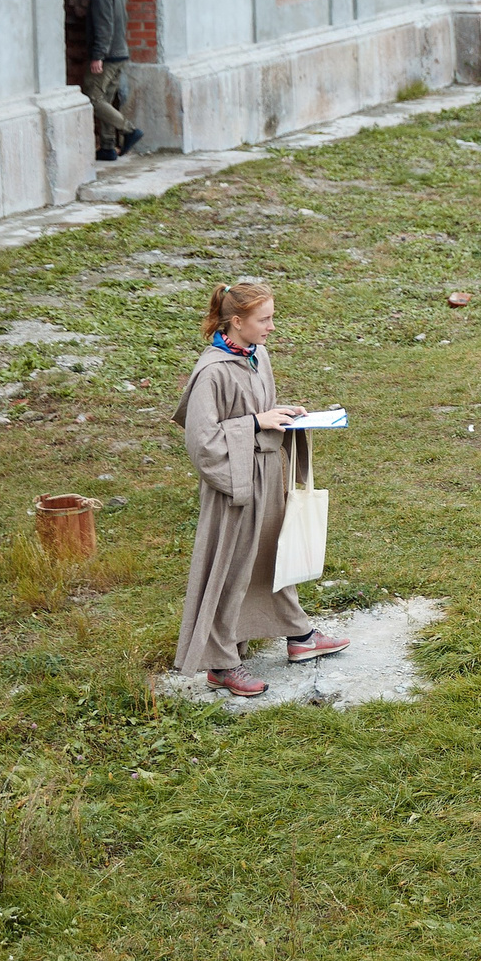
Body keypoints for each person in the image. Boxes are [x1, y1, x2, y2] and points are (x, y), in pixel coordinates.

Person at [173, 281, 347, 696]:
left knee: (271, 555)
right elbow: (202, 441)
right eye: (264, 319)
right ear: (237, 322)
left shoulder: (256, 355)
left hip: (267, 474)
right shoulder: (212, 372)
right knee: (231, 568)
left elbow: (255, 409)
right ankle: (220, 663)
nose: (271, 327)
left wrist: (281, 414)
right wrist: (255, 424)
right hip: (235, 485)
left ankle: (299, 635)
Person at [76, 0, 142, 162]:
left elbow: (104, 27)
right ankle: (107, 147)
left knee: (93, 98)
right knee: (105, 100)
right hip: (119, 53)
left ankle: (129, 130)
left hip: (108, 56)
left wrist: (98, 56)